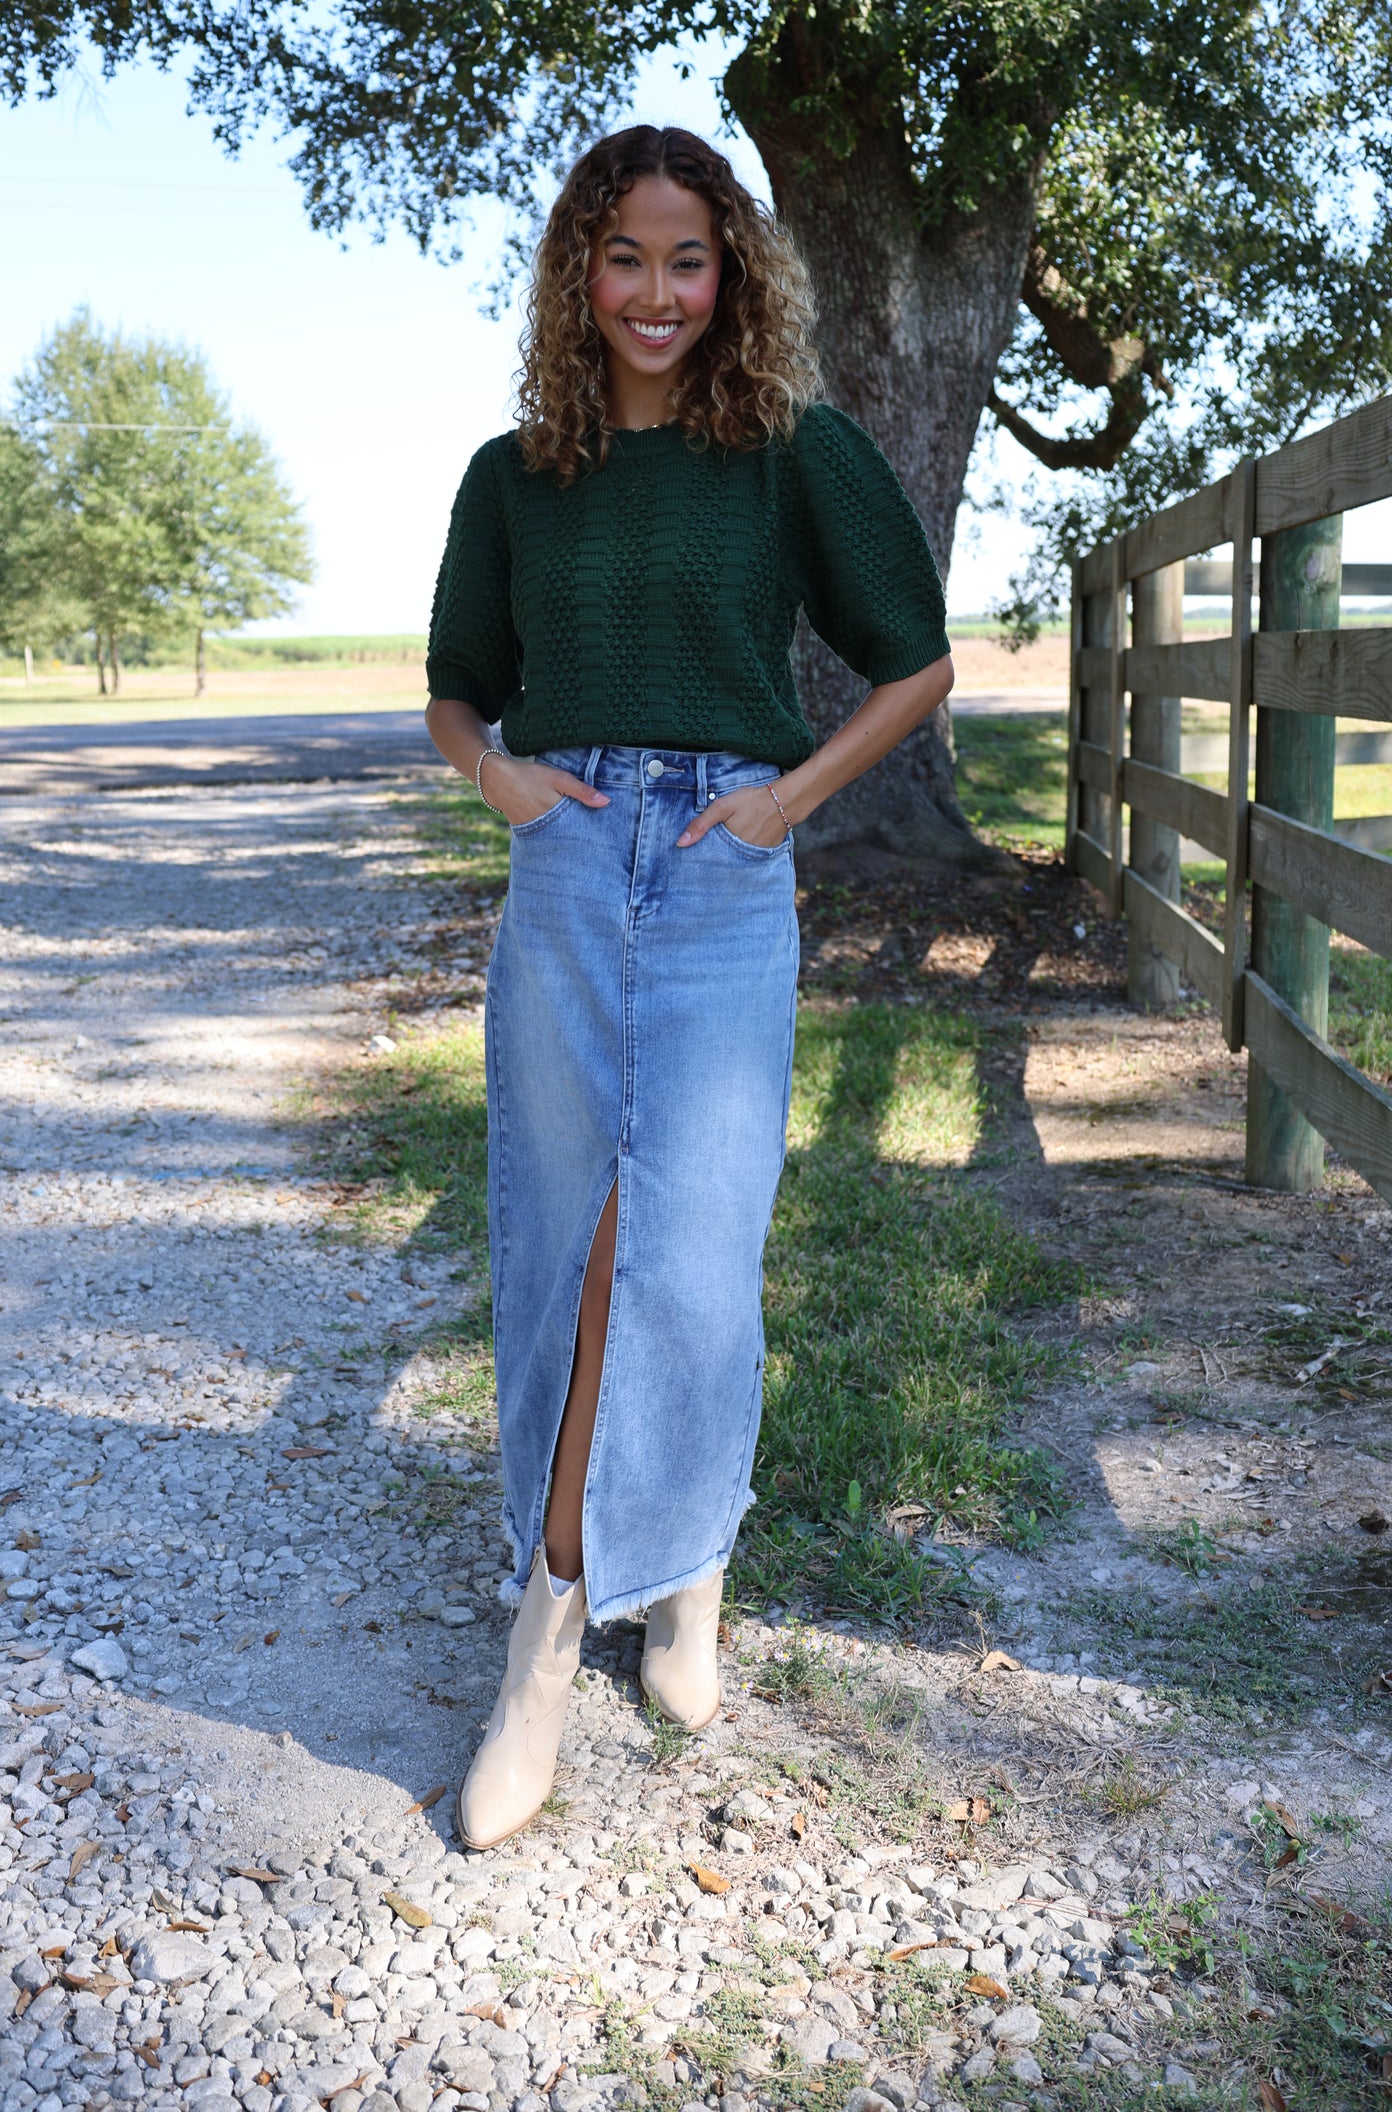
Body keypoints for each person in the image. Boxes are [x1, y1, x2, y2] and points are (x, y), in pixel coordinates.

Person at [424, 124, 954, 1850]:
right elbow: (456, 689)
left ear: (732, 277)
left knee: (698, 1248)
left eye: (688, 259)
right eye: (625, 257)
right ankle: (548, 1624)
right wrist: (498, 780)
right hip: (571, 856)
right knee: (566, 1238)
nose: (656, 292)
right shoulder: (513, 476)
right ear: (581, 274)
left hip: (725, 862)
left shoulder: (791, 453)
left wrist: (785, 804)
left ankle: (689, 1571)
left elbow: (914, 660)